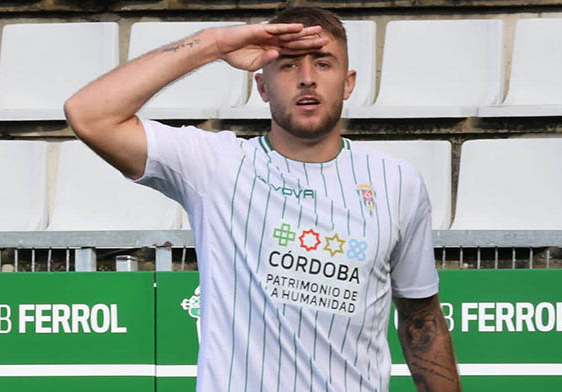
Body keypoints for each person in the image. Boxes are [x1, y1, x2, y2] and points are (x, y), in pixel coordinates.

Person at [64, 6, 460, 391]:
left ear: (348, 81)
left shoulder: (396, 182)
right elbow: (89, 114)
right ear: (262, 86)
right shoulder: (216, 166)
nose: (307, 78)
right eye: (288, 65)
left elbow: (420, 317)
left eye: (323, 63)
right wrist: (214, 44)